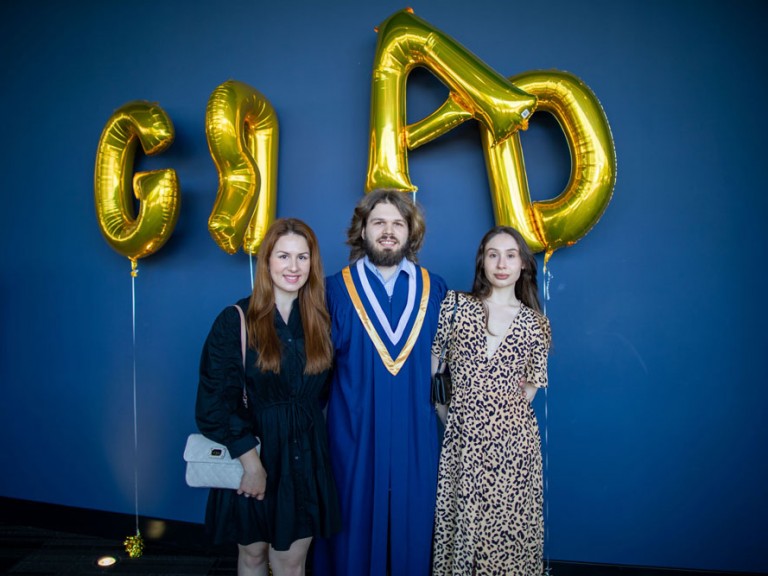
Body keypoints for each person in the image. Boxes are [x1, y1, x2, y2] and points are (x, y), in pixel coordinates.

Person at [195, 218, 341, 576]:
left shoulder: (322, 321)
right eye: (283, 256)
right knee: (253, 556)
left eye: (302, 258)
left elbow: (324, 393)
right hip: (255, 453)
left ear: (313, 263)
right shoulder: (236, 320)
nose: (293, 267)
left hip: (306, 457)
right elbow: (214, 404)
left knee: (291, 564)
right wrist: (251, 465)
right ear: (266, 261)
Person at [312, 190, 447, 576]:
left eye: (398, 224)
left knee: (412, 524)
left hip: (414, 435)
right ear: (363, 230)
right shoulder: (333, 289)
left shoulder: (433, 289)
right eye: (379, 223)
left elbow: (448, 366)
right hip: (352, 434)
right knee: (351, 525)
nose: (388, 231)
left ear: (410, 232)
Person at [431, 225, 552, 576]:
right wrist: (452, 418)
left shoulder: (536, 325)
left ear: (523, 265)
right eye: (493, 254)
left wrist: (495, 423)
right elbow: (432, 369)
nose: (501, 263)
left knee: (509, 536)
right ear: (482, 262)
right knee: (462, 534)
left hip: (514, 450)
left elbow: (527, 394)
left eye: (511, 255)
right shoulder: (455, 306)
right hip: (462, 444)